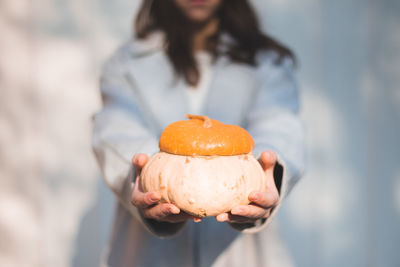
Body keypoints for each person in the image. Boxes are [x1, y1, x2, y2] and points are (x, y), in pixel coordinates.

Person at [92, 0, 305, 266]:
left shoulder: (268, 63)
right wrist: (150, 179)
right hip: (148, 253)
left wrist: (265, 176)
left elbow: (279, 126)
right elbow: (116, 130)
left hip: (239, 255)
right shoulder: (126, 63)